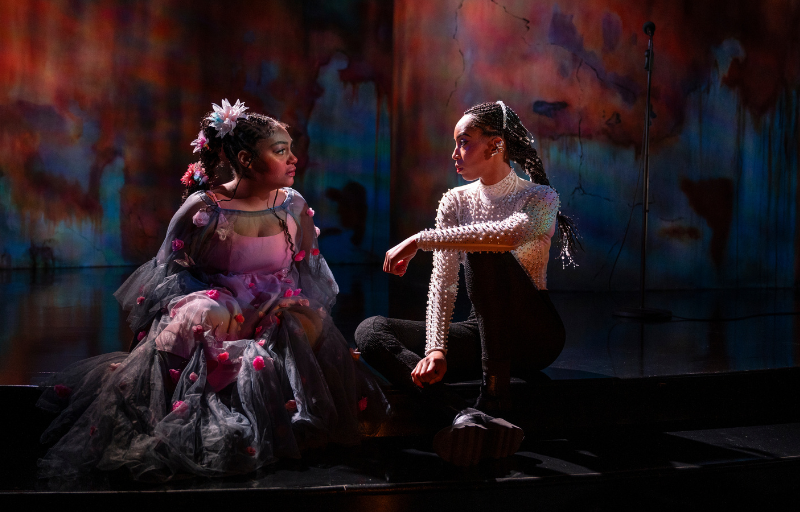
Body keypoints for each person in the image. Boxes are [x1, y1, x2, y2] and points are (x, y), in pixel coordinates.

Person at [36, 99, 388, 482]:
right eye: (280, 150)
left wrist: (296, 309)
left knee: (298, 320)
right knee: (208, 315)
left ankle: (294, 419)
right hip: (218, 299)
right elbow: (171, 271)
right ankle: (206, 416)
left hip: (271, 304)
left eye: (291, 149)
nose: (293, 159)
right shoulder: (206, 207)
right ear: (246, 158)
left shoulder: (292, 205)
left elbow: (306, 268)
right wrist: (213, 298)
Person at [355, 101, 576, 466]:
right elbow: (443, 283)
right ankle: (462, 414)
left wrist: (419, 239)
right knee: (371, 331)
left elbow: (503, 237)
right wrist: (436, 349)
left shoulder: (540, 198)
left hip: (532, 333)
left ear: (496, 145)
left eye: (464, 141)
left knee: (482, 249)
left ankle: (493, 398)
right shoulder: (455, 201)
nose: (454, 153)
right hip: (482, 327)